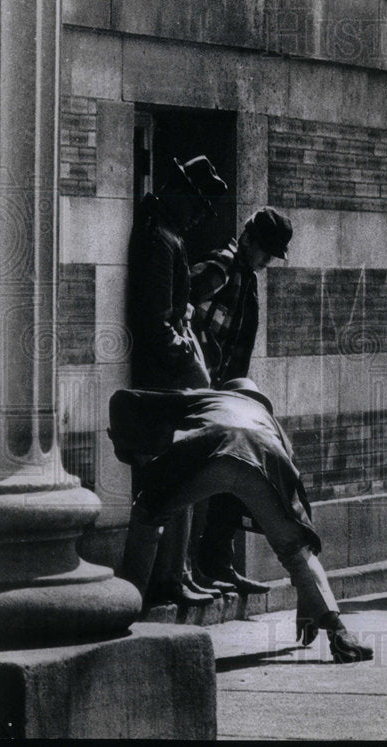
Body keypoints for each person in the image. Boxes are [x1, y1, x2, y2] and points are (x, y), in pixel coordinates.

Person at [111, 378, 373, 663]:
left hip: (210, 449)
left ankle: (124, 614)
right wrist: (308, 599)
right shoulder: (272, 426)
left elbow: (125, 397)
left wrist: (131, 450)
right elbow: (299, 512)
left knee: (148, 514)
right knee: (294, 549)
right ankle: (340, 633)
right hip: (261, 458)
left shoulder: (207, 398)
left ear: (230, 391)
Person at [127, 154, 227, 607]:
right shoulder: (160, 240)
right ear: (181, 195)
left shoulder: (167, 236)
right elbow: (154, 319)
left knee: (186, 474)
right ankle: (168, 575)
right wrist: (186, 354)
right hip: (167, 382)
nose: (200, 216)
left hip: (173, 379)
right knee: (175, 476)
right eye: (198, 205)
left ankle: (178, 570)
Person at [188, 207, 294, 597]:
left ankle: (218, 561)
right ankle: (198, 566)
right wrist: (203, 370)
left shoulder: (245, 276)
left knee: (238, 467)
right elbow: (183, 313)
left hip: (227, 390)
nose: (267, 261)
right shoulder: (221, 267)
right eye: (264, 250)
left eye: (272, 254)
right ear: (247, 238)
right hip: (206, 391)